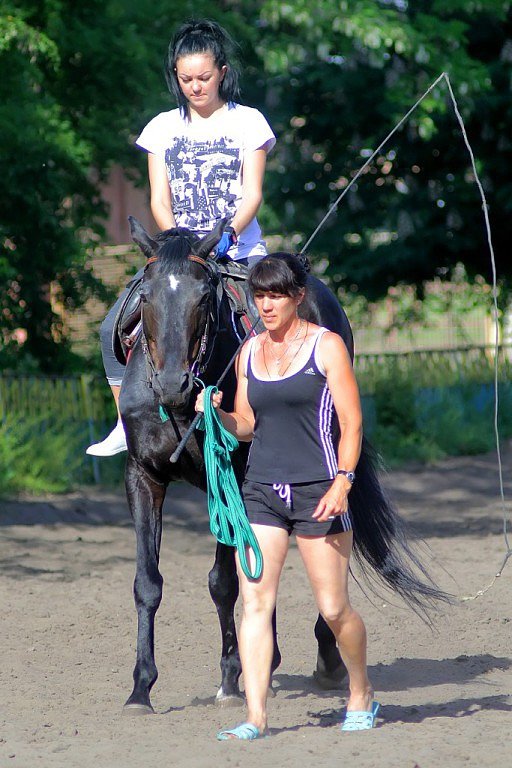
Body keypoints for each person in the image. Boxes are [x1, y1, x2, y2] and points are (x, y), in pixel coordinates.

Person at [195, 253, 379, 739]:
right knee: (254, 604)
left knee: (334, 609)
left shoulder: (327, 346)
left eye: (276, 294)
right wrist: (217, 415)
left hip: (320, 491)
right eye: (259, 296)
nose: (266, 305)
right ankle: (256, 715)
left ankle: (360, 690)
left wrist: (344, 481)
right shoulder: (249, 353)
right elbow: (247, 427)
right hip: (261, 493)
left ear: (298, 296)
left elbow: (352, 423)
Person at [87, 18, 275, 456]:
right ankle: (125, 422)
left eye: (204, 77)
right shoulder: (161, 129)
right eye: (186, 78)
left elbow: (253, 193)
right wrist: (179, 244)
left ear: (222, 72)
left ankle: (269, 419)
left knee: (267, 327)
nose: (195, 86)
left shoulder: (249, 122)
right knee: (110, 327)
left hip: (237, 253)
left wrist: (228, 233)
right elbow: (158, 200)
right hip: (180, 257)